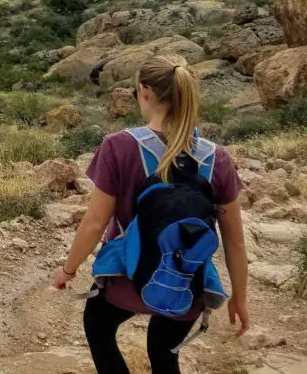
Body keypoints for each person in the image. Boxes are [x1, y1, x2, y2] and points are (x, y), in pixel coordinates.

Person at [51, 54, 250, 374]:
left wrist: (68, 270)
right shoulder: (218, 158)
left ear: (144, 91)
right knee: (163, 352)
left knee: (98, 327)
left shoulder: (119, 146)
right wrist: (240, 297)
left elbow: (94, 223)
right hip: (186, 285)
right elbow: (236, 243)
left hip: (126, 281)